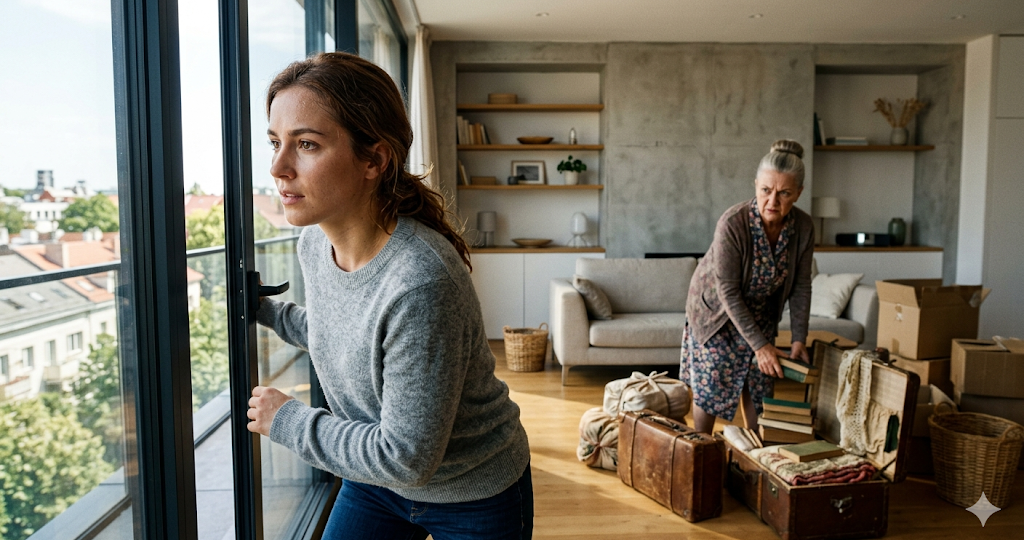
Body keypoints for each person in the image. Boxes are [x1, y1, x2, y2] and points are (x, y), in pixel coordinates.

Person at [245, 52, 533, 540]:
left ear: (374, 160)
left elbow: (406, 458)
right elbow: (342, 333)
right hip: (373, 476)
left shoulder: (421, 282)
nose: (278, 166)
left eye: (307, 144)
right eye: (275, 142)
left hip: (471, 490)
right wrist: (266, 311)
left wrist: (288, 420)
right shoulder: (315, 242)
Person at [681, 139, 814, 435]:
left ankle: (755, 456)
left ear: (798, 193)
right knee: (712, 382)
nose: (772, 202)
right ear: (755, 185)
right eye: (766, 190)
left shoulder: (803, 227)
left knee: (760, 384)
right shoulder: (733, 222)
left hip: (761, 311)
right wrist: (760, 345)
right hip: (716, 312)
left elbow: (802, 285)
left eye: (784, 193)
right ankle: (700, 450)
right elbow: (728, 290)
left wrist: (798, 338)